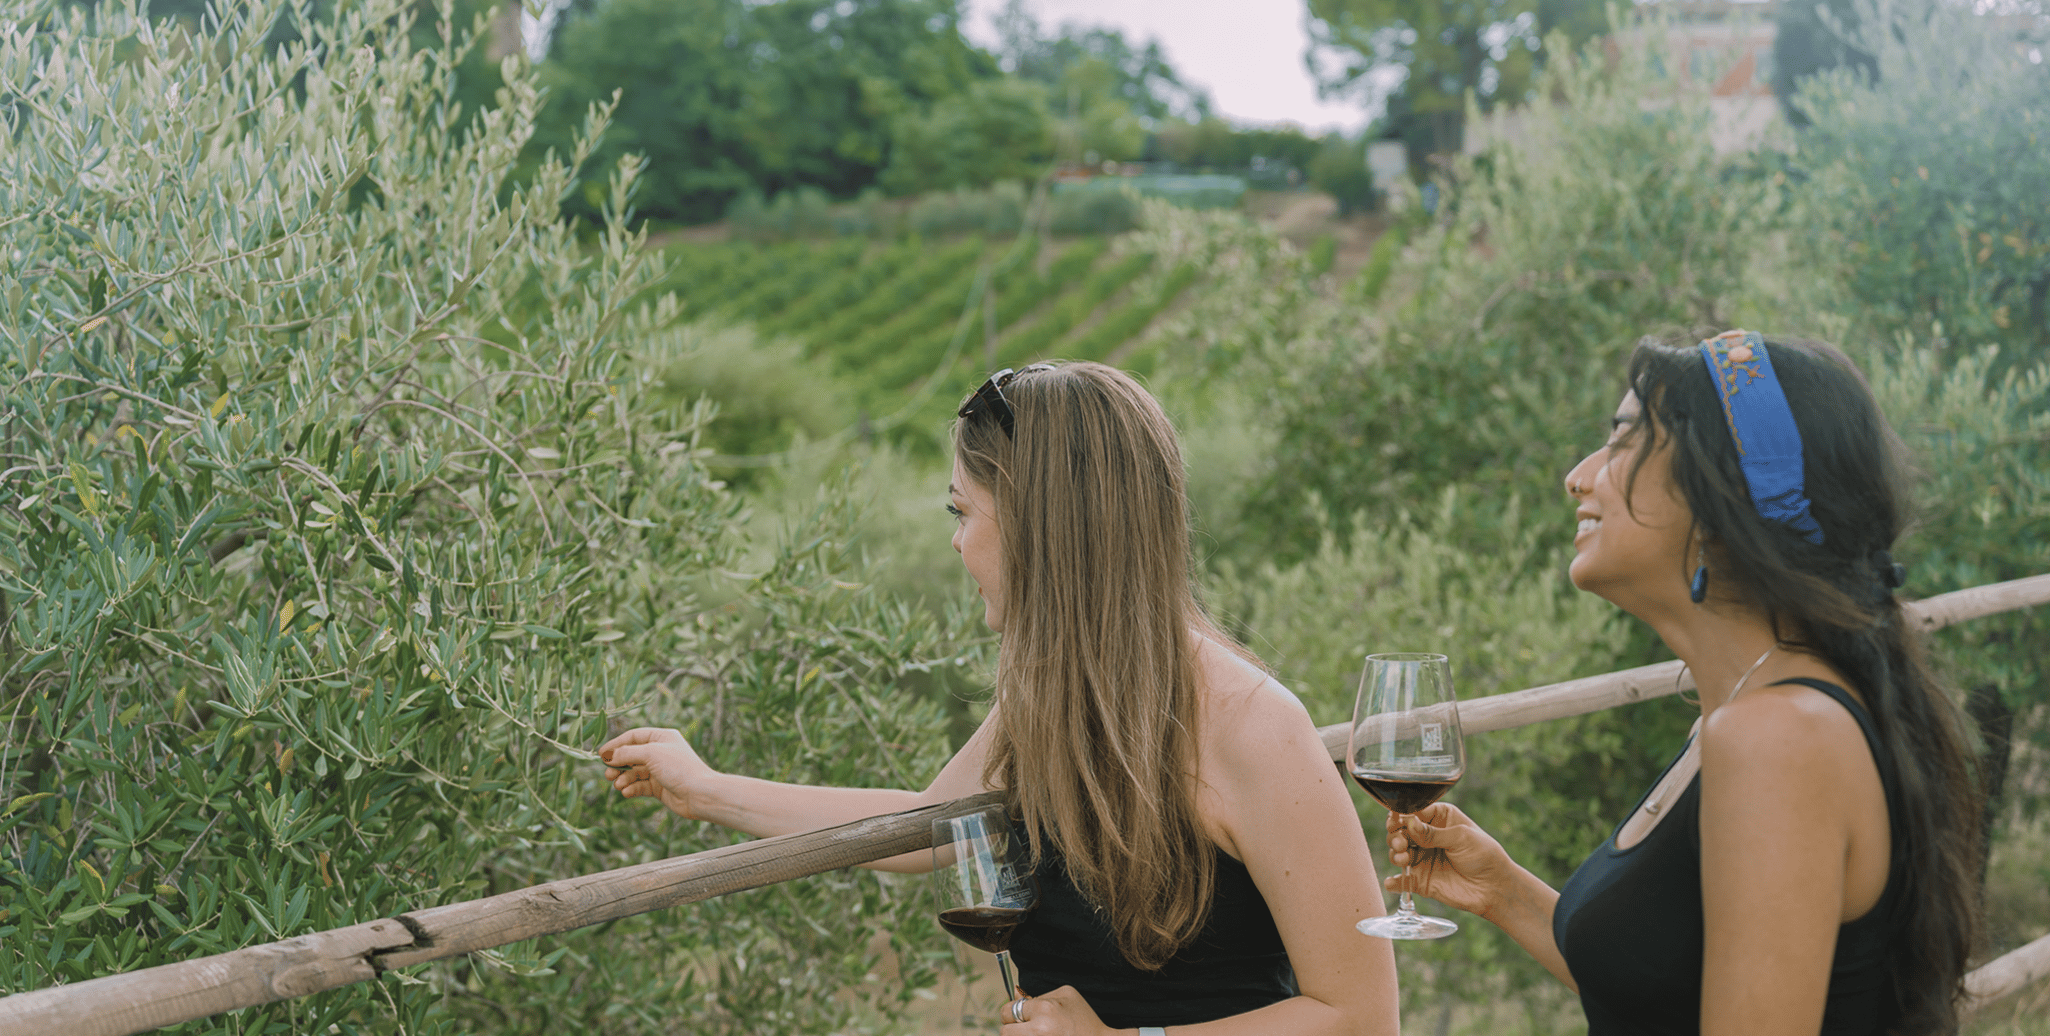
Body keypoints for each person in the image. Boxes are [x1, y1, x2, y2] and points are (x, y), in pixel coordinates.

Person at [599, 361, 1400, 1036]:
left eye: (963, 511)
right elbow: (924, 831)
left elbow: (1363, 1015)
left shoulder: (1257, 727)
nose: (954, 541)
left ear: (1041, 526)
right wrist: (703, 788)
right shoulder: (1052, 698)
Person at [1381, 332, 1984, 1036]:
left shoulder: (1778, 737)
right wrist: (1504, 892)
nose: (1577, 477)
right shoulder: (1744, 713)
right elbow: (1669, 991)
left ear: (1723, 492)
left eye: (1622, 442)